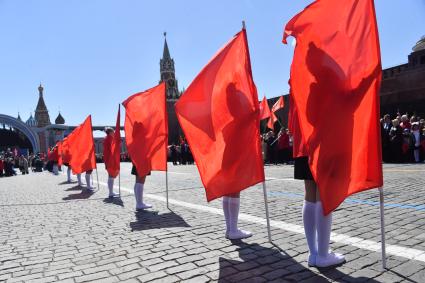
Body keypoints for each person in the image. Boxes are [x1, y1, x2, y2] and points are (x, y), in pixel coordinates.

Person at [294, 156, 345, 268]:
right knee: (323, 191)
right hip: (324, 142)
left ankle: (313, 254)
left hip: (305, 141)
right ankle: (323, 255)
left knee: (309, 190)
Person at [103, 127, 119, 198]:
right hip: (110, 159)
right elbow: (113, 148)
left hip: (108, 159)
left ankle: (111, 191)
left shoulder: (106, 138)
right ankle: (110, 192)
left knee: (111, 175)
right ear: (110, 132)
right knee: (111, 175)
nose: (114, 132)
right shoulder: (109, 138)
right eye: (113, 131)